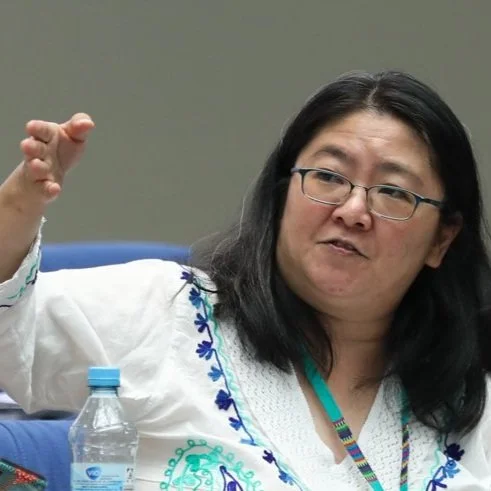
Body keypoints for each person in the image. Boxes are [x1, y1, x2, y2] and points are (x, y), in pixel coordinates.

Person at [0, 70, 489, 491]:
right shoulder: (171, 313)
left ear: (441, 239)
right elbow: (11, 331)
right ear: (282, 195)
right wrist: (19, 205)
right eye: (328, 177)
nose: (353, 210)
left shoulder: (471, 403)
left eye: (393, 192)